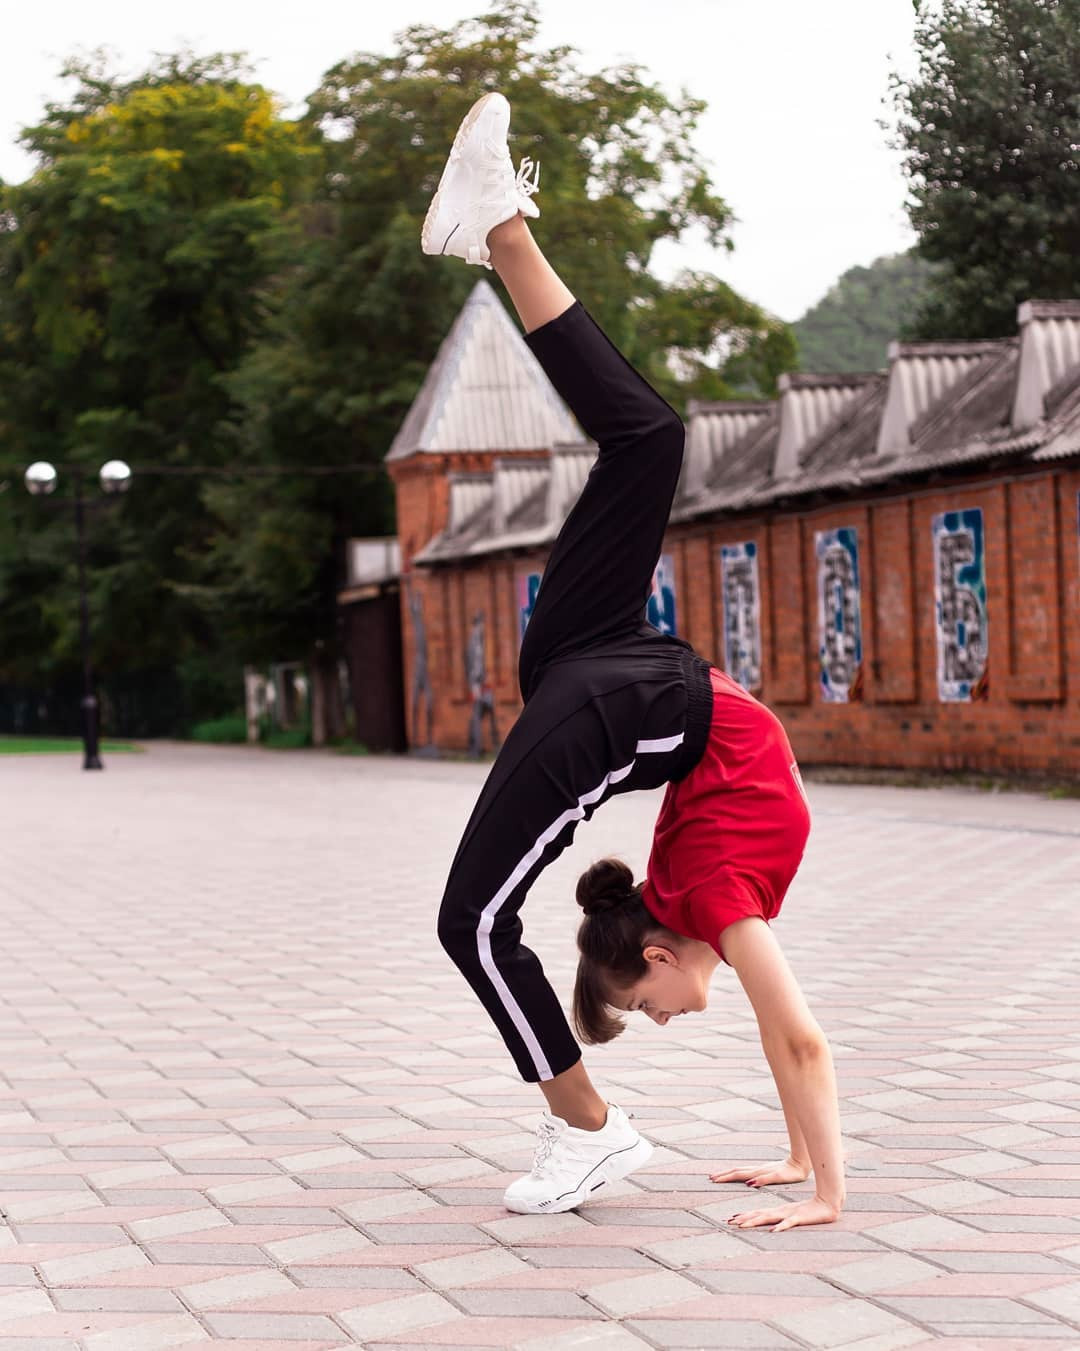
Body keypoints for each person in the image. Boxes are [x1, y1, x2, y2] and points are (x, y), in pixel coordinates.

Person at [423, 92, 845, 1230]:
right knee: (653, 437)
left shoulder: (699, 901)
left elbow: (780, 1028)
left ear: (655, 947)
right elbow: (790, 1029)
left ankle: (584, 1130)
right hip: (628, 681)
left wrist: (812, 1176)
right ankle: (501, 225)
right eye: (650, 1007)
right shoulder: (711, 901)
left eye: (642, 1006)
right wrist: (820, 1188)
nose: (666, 1015)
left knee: (471, 921)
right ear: (663, 947)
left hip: (617, 682)